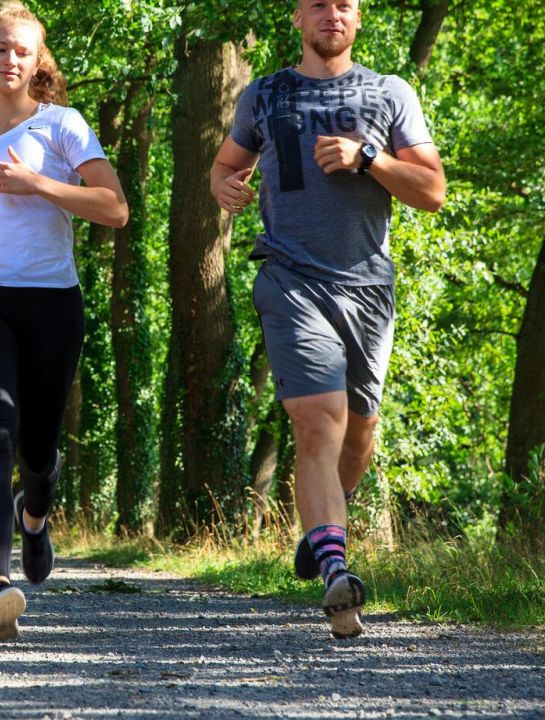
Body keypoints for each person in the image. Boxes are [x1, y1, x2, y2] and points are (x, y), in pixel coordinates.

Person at [210, 0, 445, 638]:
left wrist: (369, 158)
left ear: (359, 17)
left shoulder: (389, 93)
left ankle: (319, 531)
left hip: (369, 286)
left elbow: (432, 190)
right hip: (290, 276)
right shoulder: (265, 94)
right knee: (320, 421)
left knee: (359, 432)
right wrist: (224, 185)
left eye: (344, 4)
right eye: (318, 4)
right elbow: (227, 164)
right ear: (296, 17)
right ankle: (337, 570)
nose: (331, 14)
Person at [0, 0, 128, 642]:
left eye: (23, 50)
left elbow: (114, 209)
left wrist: (37, 184)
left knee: (37, 450)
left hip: (51, 301)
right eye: (0, 48)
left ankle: (35, 514)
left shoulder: (63, 126)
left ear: (37, 59)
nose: (10, 59)